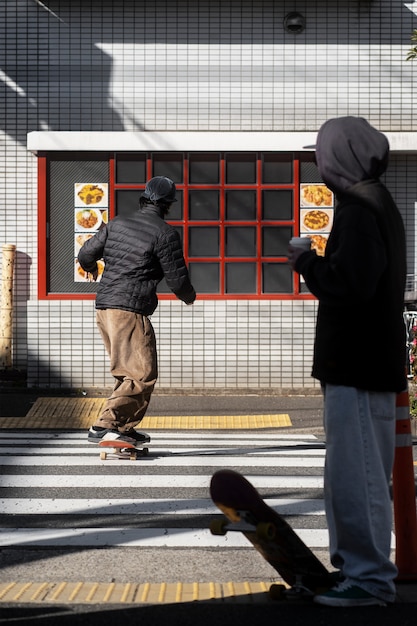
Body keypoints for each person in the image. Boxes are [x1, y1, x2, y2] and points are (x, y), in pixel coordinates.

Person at [288, 117, 407, 607]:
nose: (320, 163)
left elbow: (351, 284)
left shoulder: (359, 207)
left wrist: (306, 260)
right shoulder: (375, 201)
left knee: (357, 477)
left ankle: (369, 579)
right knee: (355, 474)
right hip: (366, 360)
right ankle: (356, 572)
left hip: (357, 362)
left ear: (341, 157)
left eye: (322, 153)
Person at [78, 176, 196, 445]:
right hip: (129, 309)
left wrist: (93, 268)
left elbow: (86, 255)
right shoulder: (164, 233)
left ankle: (123, 428)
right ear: (168, 204)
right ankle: (104, 425)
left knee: (127, 372)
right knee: (142, 373)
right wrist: (189, 297)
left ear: (144, 197)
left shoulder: (117, 223)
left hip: (105, 307)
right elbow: (177, 280)